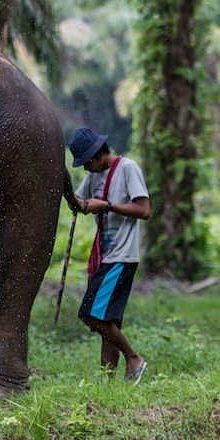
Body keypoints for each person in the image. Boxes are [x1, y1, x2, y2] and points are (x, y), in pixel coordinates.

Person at [68, 126, 151, 383]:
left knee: (89, 314)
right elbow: (79, 201)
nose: (86, 169)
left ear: (99, 153)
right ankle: (107, 383)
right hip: (105, 255)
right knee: (108, 321)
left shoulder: (127, 169)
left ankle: (134, 358)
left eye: (87, 162)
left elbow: (144, 209)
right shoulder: (95, 175)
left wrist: (106, 205)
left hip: (121, 256)